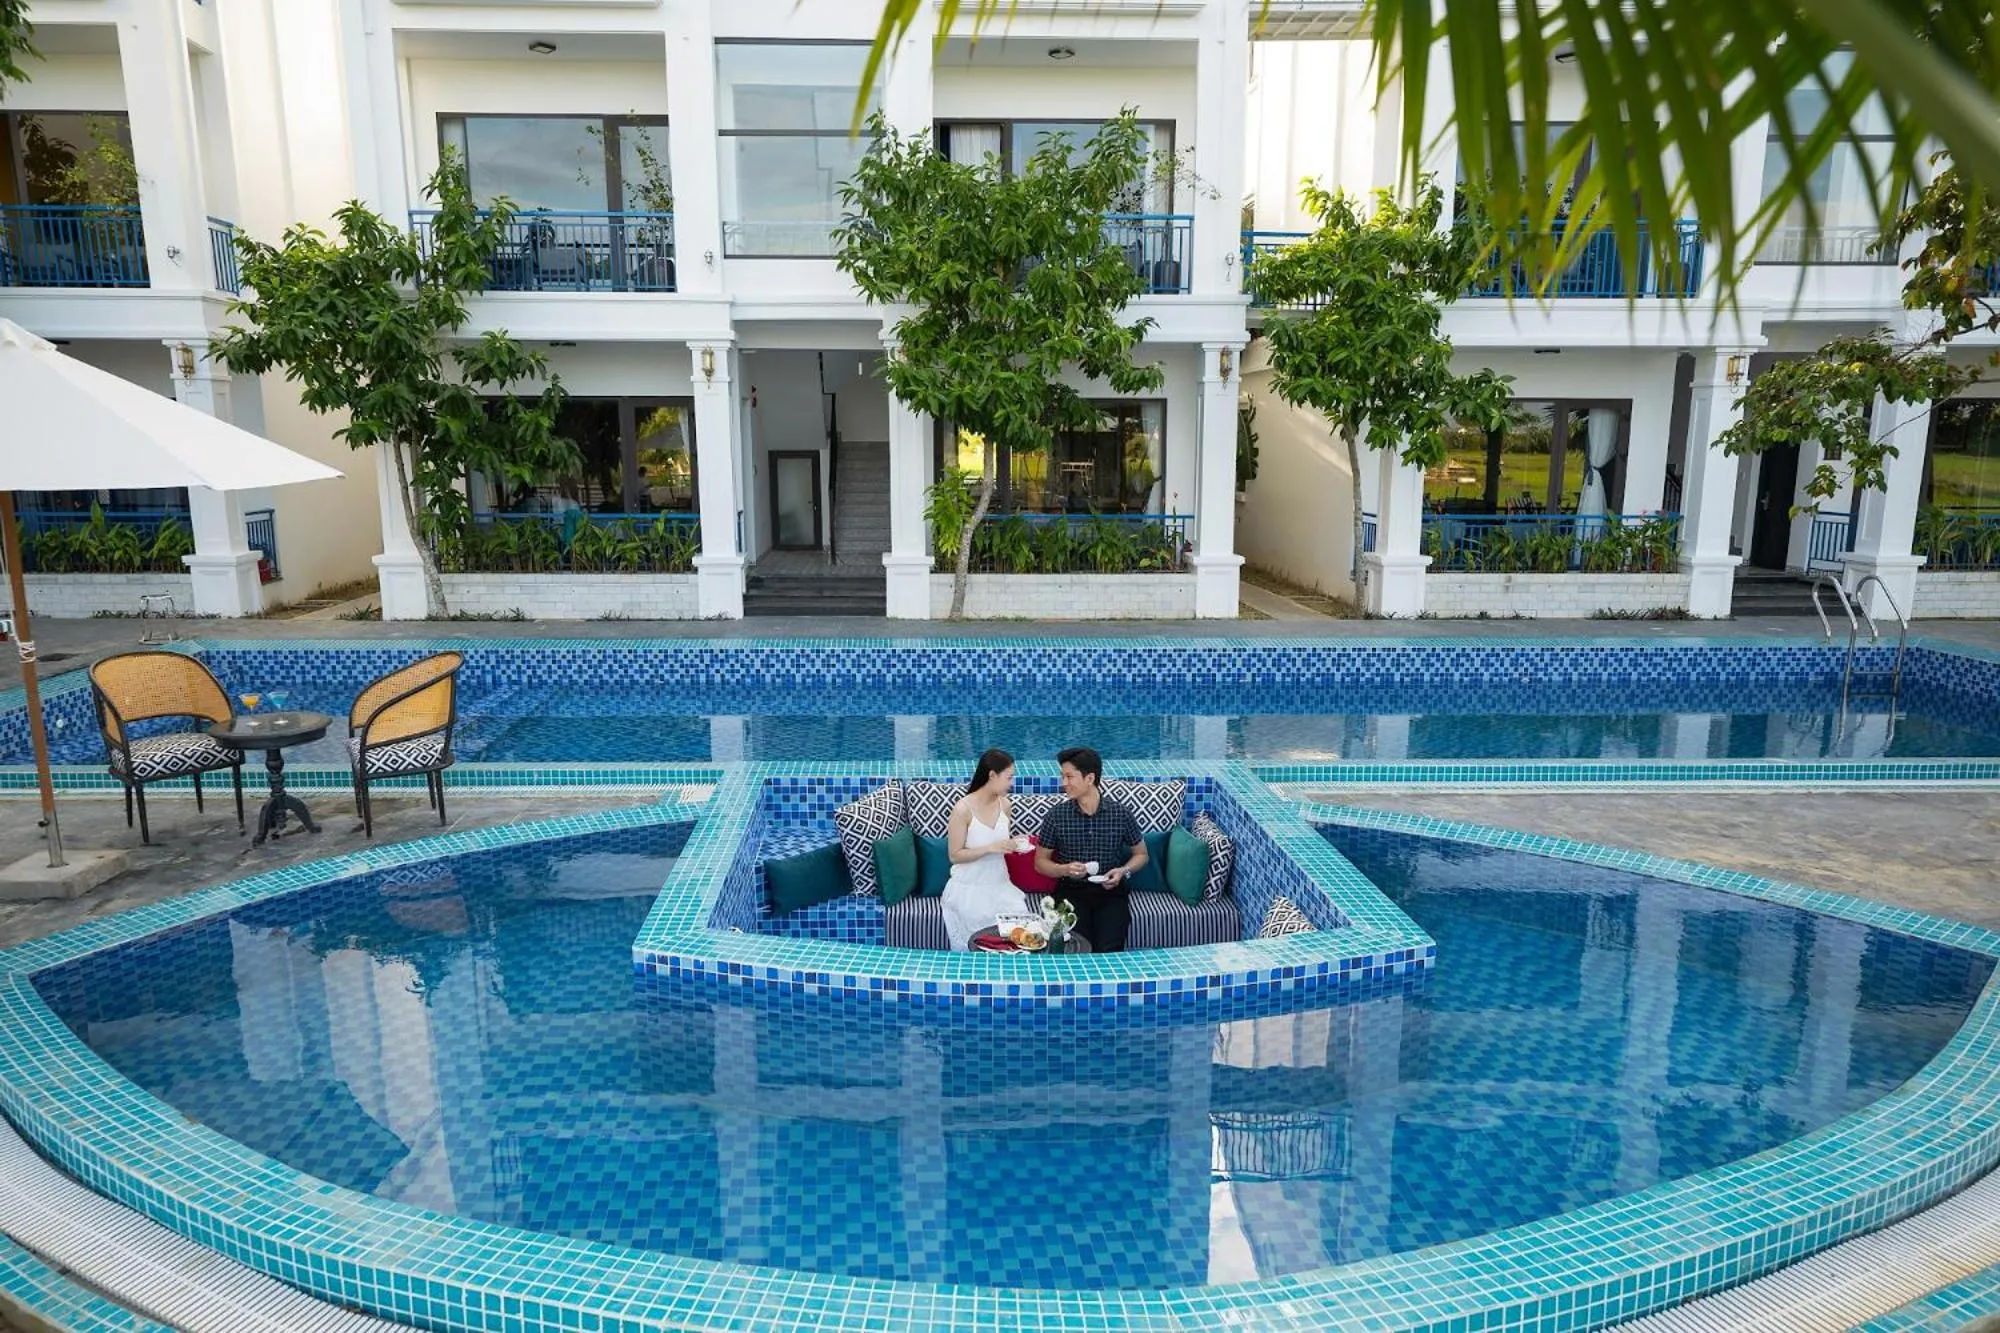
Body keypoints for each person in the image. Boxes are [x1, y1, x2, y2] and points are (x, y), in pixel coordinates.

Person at [1034, 746, 1146, 953]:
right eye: (1062, 776)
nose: (1063, 783)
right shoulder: (1056, 816)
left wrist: (1123, 871)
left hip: (1111, 892)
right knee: (1078, 948)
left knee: (1109, 950)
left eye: (1069, 776)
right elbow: (1040, 862)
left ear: (1090, 778)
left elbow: (1141, 854)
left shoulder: (1120, 814)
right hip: (1070, 891)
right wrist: (1064, 869)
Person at [941, 748, 1033, 951]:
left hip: (1000, 886)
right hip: (969, 890)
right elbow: (954, 855)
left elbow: (1001, 844)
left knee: (1021, 937)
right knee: (980, 949)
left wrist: (1013, 844)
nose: (1011, 783)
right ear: (992, 775)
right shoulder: (962, 809)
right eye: (1009, 778)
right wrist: (991, 848)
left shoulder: (1005, 805)